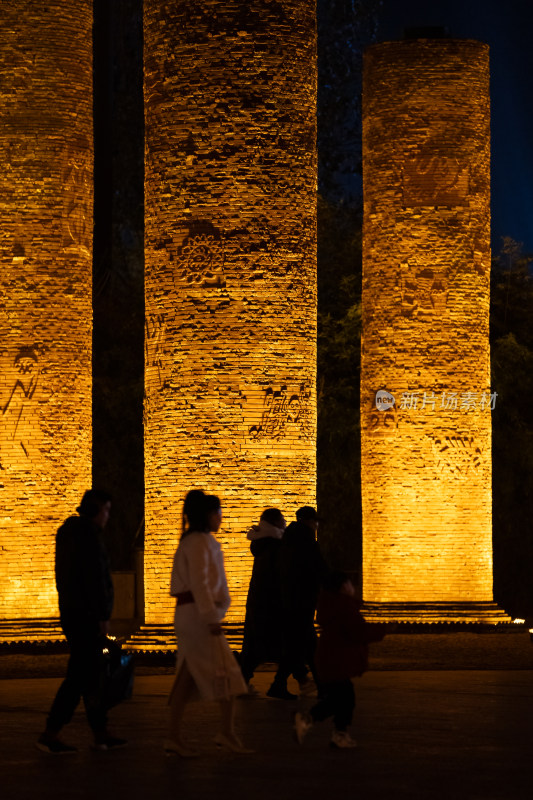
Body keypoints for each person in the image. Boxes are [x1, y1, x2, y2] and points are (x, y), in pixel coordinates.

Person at [37, 489, 126, 754]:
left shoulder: (69, 534)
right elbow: (94, 580)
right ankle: (51, 732)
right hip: (87, 618)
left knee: (91, 676)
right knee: (79, 677)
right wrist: (101, 616)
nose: (108, 517)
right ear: (97, 510)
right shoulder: (87, 536)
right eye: (107, 510)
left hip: (73, 614)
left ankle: (100, 732)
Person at [167, 490, 253, 757]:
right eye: (218, 513)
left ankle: (208, 734)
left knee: (195, 676)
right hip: (198, 618)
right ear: (208, 514)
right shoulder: (198, 543)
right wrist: (210, 617)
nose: (221, 518)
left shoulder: (199, 541)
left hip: (196, 616)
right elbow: (200, 583)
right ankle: (222, 733)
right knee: (224, 673)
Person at [293, 570, 385, 749]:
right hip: (337, 662)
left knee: (341, 699)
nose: (353, 587)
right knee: (343, 699)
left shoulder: (332, 605)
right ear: (344, 587)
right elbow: (358, 632)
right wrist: (383, 630)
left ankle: (335, 731)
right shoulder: (344, 606)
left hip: (330, 660)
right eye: (351, 583)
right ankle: (312, 721)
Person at [273, 505, 327, 698]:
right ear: (309, 521)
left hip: (289, 598)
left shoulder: (286, 541)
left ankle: (283, 684)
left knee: (302, 642)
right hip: (304, 599)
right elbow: (320, 568)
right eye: (315, 521)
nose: (317, 525)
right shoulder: (308, 543)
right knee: (302, 643)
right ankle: (317, 685)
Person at [239, 508, 286, 693]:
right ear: (275, 522)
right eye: (282, 519)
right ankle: (295, 679)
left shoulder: (262, 544)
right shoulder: (274, 545)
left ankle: (243, 682)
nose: (285, 521)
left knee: (254, 646)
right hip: (270, 602)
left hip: (258, 601)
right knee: (280, 643)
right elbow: (275, 575)